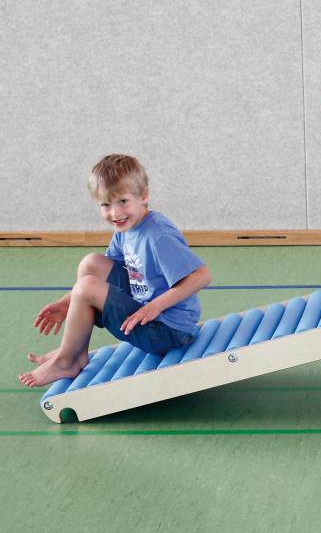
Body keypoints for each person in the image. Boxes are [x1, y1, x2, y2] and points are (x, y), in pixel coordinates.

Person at [19, 154, 212, 387]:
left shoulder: (157, 236)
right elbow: (99, 275)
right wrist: (66, 303)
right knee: (91, 264)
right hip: (147, 309)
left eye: (122, 201)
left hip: (167, 330)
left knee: (87, 285)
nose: (115, 213)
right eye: (106, 205)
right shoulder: (126, 229)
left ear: (144, 196)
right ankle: (75, 352)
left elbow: (202, 276)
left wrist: (155, 306)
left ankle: (66, 361)